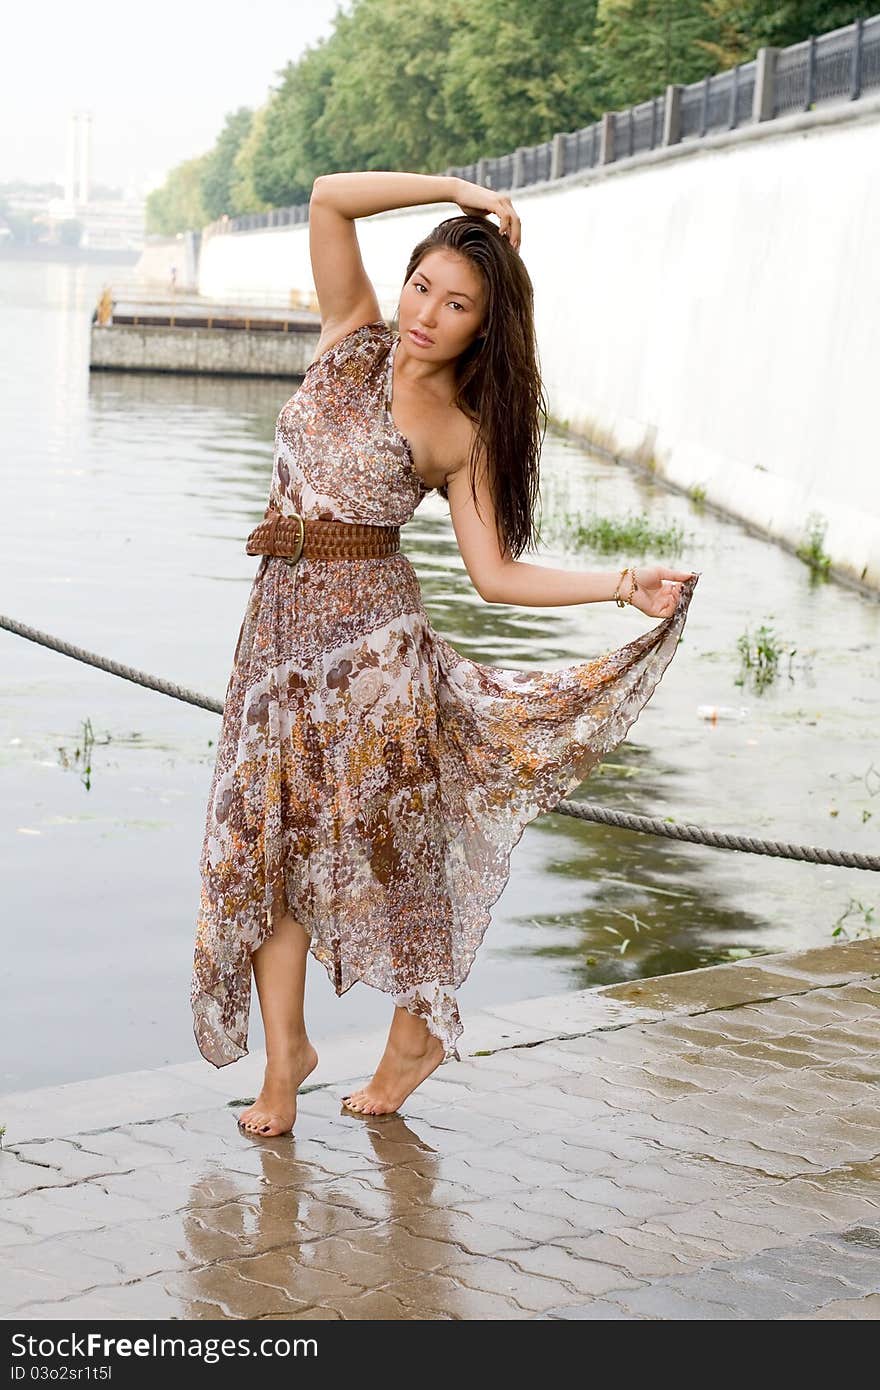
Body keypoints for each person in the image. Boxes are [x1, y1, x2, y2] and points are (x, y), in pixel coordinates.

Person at [191, 170, 698, 1136]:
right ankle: (284, 1059)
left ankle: (412, 1036)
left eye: (457, 304)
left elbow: (496, 575)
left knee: (398, 855)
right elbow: (330, 198)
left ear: (483, 326)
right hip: (273, 641)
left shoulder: (461, 432)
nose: (428, 313)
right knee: (261, 845)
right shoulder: (350, 338)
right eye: (423, 285)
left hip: (374, 656)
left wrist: (621, 586)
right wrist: (458, 187)